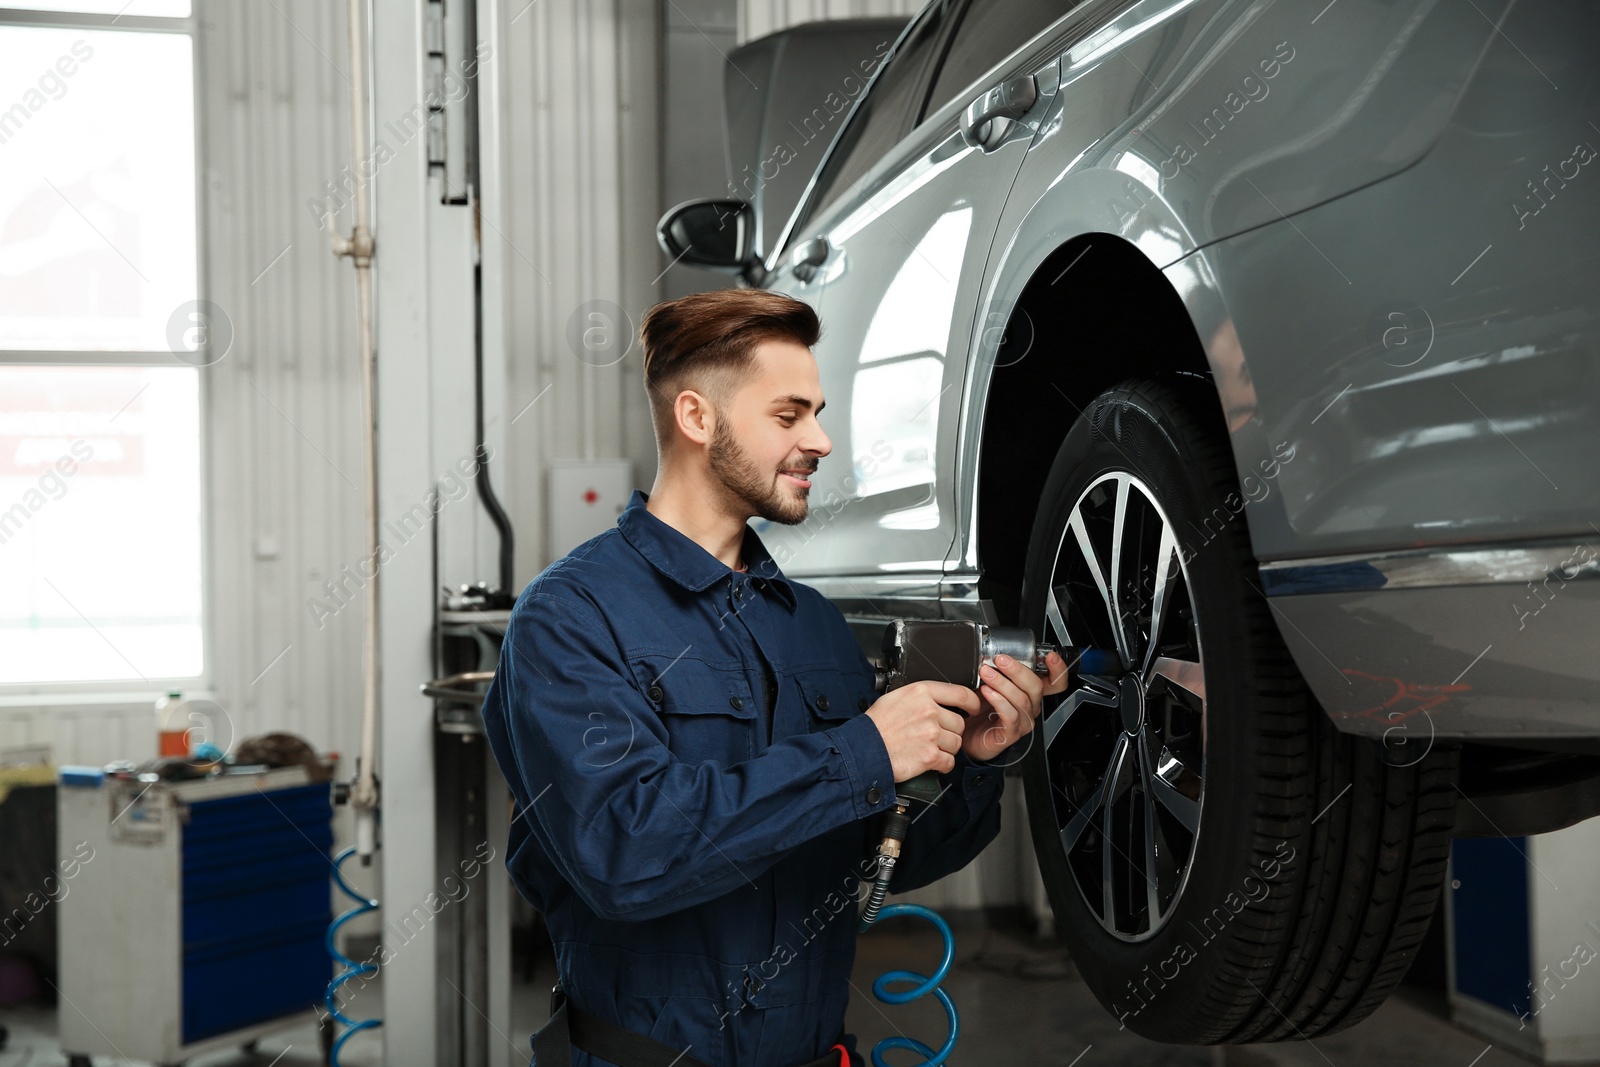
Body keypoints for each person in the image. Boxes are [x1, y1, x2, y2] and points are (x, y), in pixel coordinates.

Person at [479, 287, 1069, 1067]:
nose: (821, 440)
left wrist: (967, 763)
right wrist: (862, 751)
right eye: (789, 416)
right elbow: (624, 853)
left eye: (818, 413)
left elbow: (878, 855)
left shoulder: (812, 624)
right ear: (697, 418)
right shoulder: (571, 616)